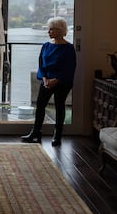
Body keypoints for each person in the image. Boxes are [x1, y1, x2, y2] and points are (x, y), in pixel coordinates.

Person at [21, 17, 76, 146]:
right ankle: (36, 132)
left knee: (59, 106)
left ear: (60, 30)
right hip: (46, 81)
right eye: (49, 29)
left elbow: (70, 68)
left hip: (62, 82)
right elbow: (41, 64)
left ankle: (57, 135)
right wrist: (45, 79)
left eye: (51, 29)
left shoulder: (69, 48)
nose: (48, 32)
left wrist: (56, 80)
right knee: (40, 105)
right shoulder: (46, 46)